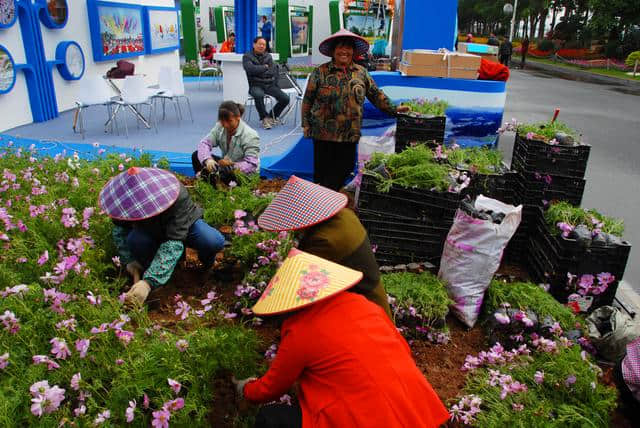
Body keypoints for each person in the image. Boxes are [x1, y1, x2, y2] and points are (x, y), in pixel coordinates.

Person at [232, 249, 450, 428]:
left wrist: (245, 389)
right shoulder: (363, 305)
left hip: (363, 419)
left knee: (271, 419)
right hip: (412, 408)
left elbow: (272, 387)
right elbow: (403, 349)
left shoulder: (301, 330)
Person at [258, 176, 392, 317]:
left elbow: (300, 285)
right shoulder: (344, 215)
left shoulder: (324, 240)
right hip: (370, 296)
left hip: (367, 310)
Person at [99, 167, 225, 306]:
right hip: (149, 230)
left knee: (212, 241)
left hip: (186, 224)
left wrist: (148, 282)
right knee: (135, 240)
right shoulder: (123, 202)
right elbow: (120, 230)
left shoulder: (176, 195)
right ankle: (156, 271)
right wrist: (129, 260)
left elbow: (174, 242)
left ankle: (205, 264)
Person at [302, 29, 409, 191]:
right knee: (322, 173)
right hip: (323, 133)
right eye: (340, 47)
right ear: (333, 50)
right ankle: (324, 205)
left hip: (349, 134)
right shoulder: (320, 72)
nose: (344, 51)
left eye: (348, 48)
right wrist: (306, 124)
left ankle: (329, 200)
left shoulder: (361, 72)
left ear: (353, 51)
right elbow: (308, 100)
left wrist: (395, 110)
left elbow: (376, 95)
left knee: (344, 170)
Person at [192, 101, 260, 185]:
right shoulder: (219, 126)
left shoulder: (250, 135)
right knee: (196, 155)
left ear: (238, 117)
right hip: (224, 165)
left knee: (223, 171)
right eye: (222, 121)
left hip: (243, 174)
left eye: (229, 121)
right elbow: (204, 143)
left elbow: (251, 164)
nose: (225, 125)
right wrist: (208, 159)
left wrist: (232, 165)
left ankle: (211, 182)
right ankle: (209, 181)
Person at [242, 36, 290, 130]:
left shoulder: (268, 56)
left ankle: (271, 117)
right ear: (254, 44)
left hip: (269, 84)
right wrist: (264, 67)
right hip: (255, 85)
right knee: (258, 95)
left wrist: (259, 71)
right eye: (260, 44)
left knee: (285, 98)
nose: (262, 46)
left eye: (264, 44)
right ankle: (264, 118)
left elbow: (272, 71)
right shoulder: (247, 56)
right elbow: (250, 69)